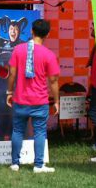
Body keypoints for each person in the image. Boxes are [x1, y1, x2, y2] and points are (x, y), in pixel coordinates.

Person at [6, 18, 59, 173]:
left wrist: (9, 92)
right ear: (47, 34)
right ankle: (38, 165)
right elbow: (54, 80)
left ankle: (15, 163)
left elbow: (12, 74)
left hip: (20, 99)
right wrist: (56, 101)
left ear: (31, 31)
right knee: (40, 132)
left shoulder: (18, 50)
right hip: (40, 100)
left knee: (17, 131)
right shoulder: (49, 55)